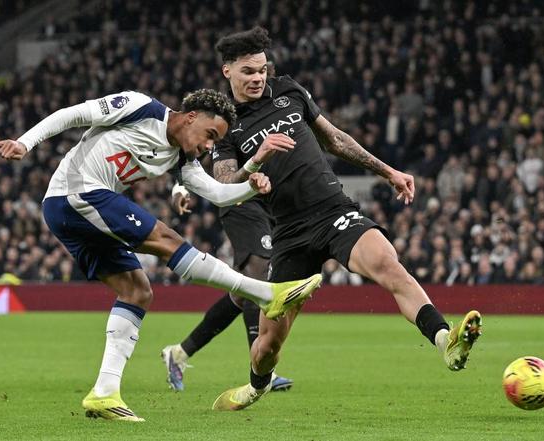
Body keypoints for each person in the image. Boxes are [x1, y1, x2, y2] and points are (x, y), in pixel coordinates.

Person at [186, 26, 482, 411]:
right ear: (227, 71)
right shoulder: (225, 124)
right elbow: (225, 183)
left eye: (262, 69)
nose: (258, 78)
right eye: (248, 72)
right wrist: (255, 162)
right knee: (267, 347)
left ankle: (445, 340)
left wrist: (388, 171)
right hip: (289, 235)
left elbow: (335, 139)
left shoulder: (288, 90)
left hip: (333, 211)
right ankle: (256, 386)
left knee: (388, 265)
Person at [0, 88, 322, 421]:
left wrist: (251, 183)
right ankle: (265, 293)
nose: (209, 147)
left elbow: (219, 194)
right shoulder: (140, 107)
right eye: (210, 135)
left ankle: (104, 393)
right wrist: (25, 142)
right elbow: (74, 113)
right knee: (166, 239)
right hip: (75, 193)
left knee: (137, 291)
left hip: (78, 209)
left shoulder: (182, 159)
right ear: (191, 117)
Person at [161, 188, 293, 392]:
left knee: (241, 295)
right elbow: (196, 167)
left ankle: (179, 353)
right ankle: (263, 371)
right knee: (257, 280)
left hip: (264, 203)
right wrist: (181, 189)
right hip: (242, 200)